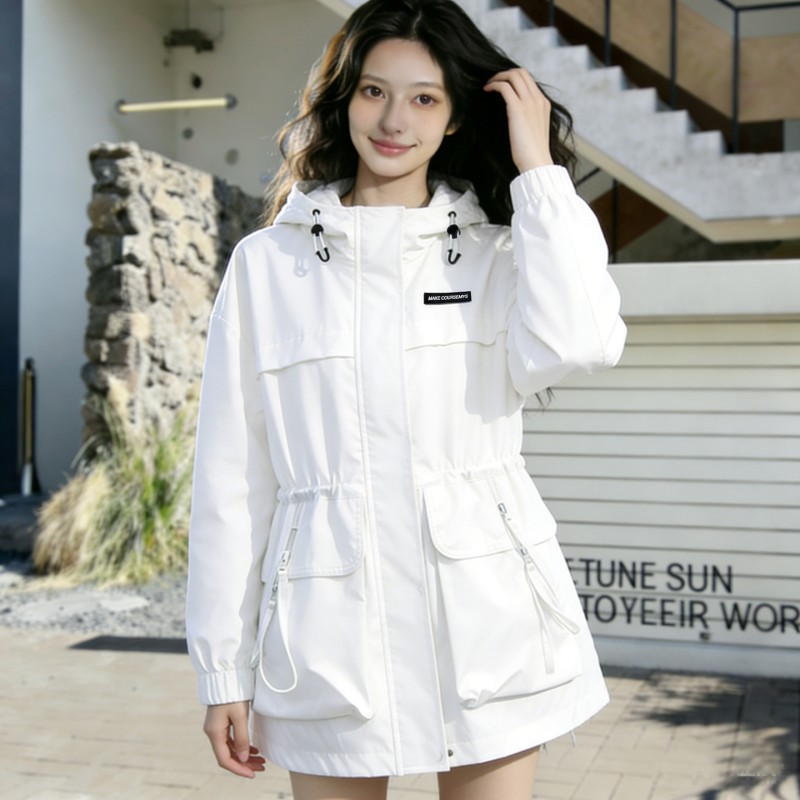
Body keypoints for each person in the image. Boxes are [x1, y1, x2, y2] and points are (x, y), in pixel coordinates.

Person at [185, 1, 627, 798]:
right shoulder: (267, 266)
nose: (394, 121)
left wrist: (537, 171)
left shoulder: (497, 255)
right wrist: (222, 671)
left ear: (455, 117)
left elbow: (584, 341)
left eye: (425, 98)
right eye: (374, 92)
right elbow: (231, 481)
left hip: (488, 626)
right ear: (344, 100)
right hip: (329, 638)